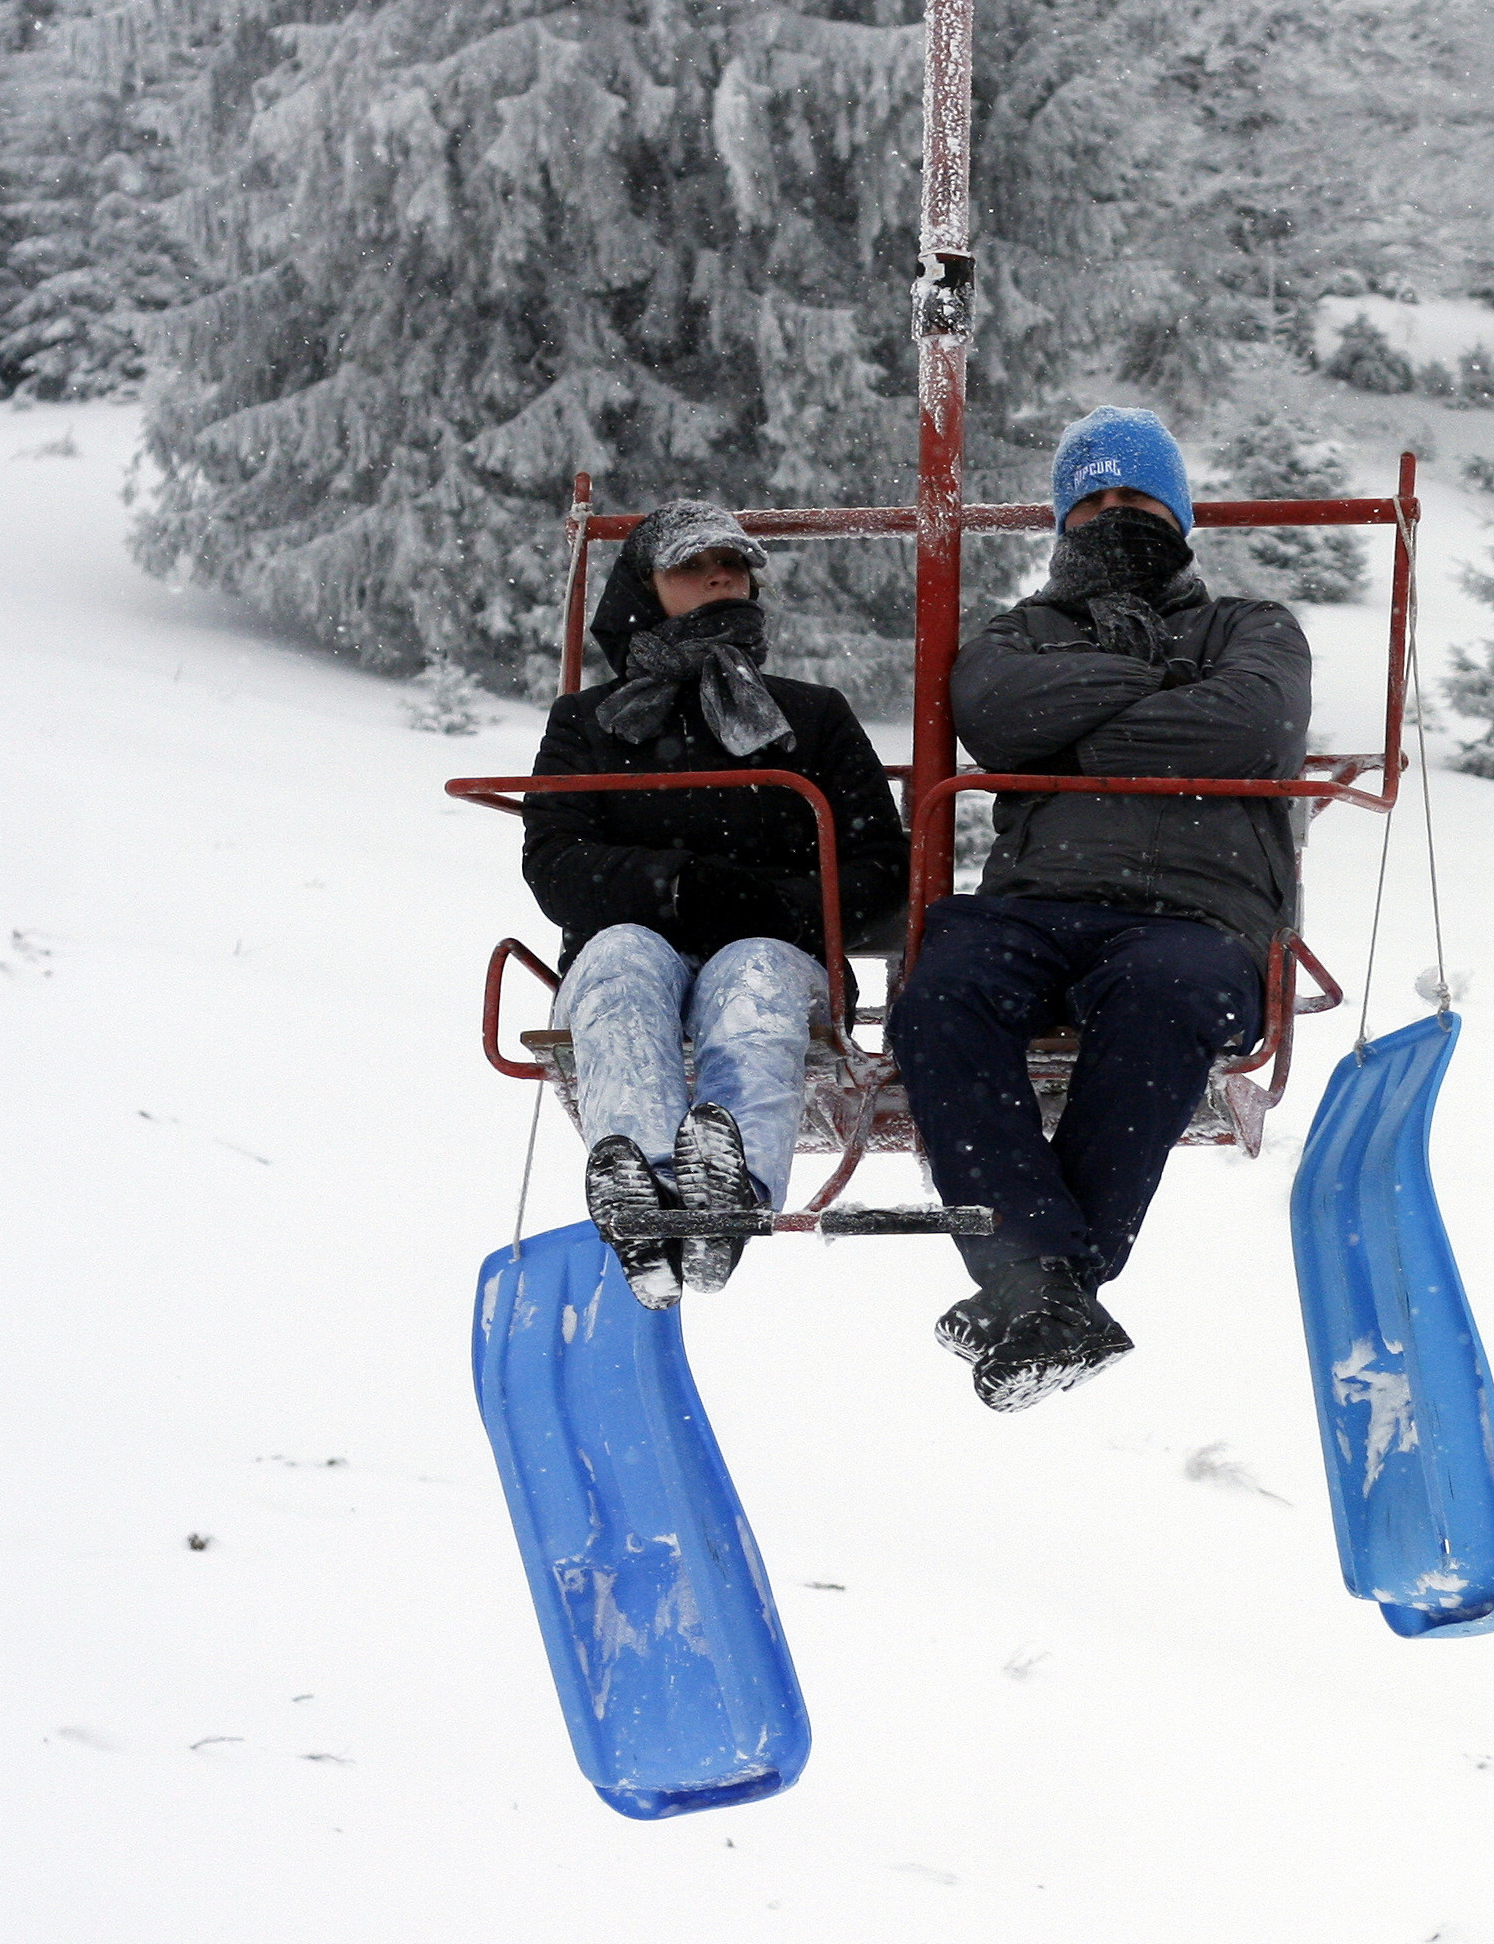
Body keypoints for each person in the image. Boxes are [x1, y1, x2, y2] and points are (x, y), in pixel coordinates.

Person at [891, 407, 1313, 1410]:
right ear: (1060, 521)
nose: (1112, 514)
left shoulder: (1251, 628)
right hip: (1037, 902)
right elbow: (995, 715)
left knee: (1168, 993)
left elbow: (1246, 728)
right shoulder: (1021, 633)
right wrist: (1158, 686)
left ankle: (1034, 1275)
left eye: (1134, 498)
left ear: (1177, 515)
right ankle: (1053, 1286)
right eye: (1091, 500)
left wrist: (1071, 736)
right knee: (940, 991)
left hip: (1196, 914)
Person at [521, 501, 910, 1309]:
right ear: (644, 589)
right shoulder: (589, 723)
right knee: (624, 957)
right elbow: (556, 864)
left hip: (780, 943)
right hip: (637, 940)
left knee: (754, 971)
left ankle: (730, 1194)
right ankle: (648, 1187)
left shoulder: (812, 717)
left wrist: (766, 906)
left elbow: (880, 868)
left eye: (732, 562)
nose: (721, 576)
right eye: (692, 567)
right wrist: (677, 886)